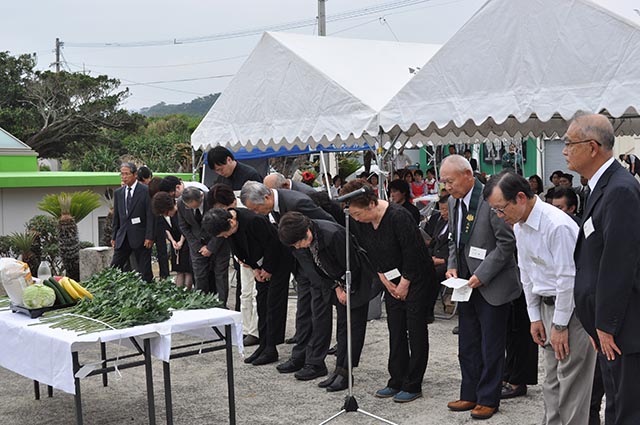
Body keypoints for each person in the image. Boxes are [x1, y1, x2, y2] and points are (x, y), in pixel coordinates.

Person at [486, 170, 596, 424]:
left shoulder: (556, 225)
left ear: (521, 198)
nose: (500, 217)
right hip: (547, 307)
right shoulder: (521, 225)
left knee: (573, 386)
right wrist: (534, 317)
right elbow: (527, 273)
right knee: (552, 381)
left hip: (571, 310)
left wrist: (559, 325)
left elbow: (567, 279)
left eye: (501, 209)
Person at [564, 112, 640, 425]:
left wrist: (606, 324)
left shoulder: (620, 190)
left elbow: (619, 262)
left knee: (626, 410)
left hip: (622, 326)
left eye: (570, 143)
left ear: (593, 147)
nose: (565, 149)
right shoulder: (601, 186)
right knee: (616, 404)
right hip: (608, 325)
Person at [340, 179, 435, 404]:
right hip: (390, 277)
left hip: (417, 278)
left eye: (358, 213)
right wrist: (384, 279)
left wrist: (404, 283)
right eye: (352, 214)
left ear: (372, 204)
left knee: (415, 328)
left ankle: (414, 383)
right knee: (396, 327)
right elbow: (368, 253)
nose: (355, 218)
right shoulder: (360, 223)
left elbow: (413, 253)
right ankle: (396, 378)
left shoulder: (398, 217)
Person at [440, 155, 521, 420]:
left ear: (467, 174)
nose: (446, 187)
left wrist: (482, 274)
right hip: (464, 284)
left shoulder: (491, 200)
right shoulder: (453, 202)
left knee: (491, 345)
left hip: (491, 284)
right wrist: (452, 266)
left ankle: (488, 398)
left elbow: (506, 244)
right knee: (468, 343)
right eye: (444, 182)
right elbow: (454, 240)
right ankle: (469, 393)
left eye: (450, 181)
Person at [240, 181, 336, 381]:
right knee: (303, 312)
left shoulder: (297, 202)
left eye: (256, 208)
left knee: (319, 314)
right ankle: (300, 355)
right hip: (302, 266)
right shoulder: (275, 205)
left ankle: (315, 362)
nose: (257, 213)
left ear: (266, 198)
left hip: (318, 267)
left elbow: (329, 226)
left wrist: (322, 263)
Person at [278, 212, 373, 392]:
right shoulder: (305, 237)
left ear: (306, 231)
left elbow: (352, 265)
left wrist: (346, 288)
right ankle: (338, 370)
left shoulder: (332, 235)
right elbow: (317, 269)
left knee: (352, 328)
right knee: (342, 328)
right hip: (335, 283)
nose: (299, 247)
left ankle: (346, 373)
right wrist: (335, 288)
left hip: (356, 282)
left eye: (299, 243)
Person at [202, 207, 291, 366]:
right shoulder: (226, 226)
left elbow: (273, 244)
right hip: (258, 266)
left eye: (226, 233)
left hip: (277, 262)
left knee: (273, 305)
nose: (226, 236)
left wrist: (268, 269)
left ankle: (271, 347)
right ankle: (263, 345)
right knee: (262, 304)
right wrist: (254, 268)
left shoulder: (254, 220)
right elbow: (238, 250)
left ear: (231, 221)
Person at [207, 183, 259, 347]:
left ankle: (255, 330)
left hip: (257, 257)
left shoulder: (247, 206)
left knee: (255, 294)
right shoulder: (225, 217)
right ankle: (244, 327)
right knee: (245, 293)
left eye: (219, 206)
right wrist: (239, 257)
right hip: (241, 258)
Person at [177, 186, 229, 301]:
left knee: (220, 276)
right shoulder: (181, 203)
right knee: (200, 276)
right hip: (197, 245)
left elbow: (223, 225)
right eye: (187, 206)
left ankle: (221, 305)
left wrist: (211, 247)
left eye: (192, 205)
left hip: (218, 242)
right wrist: (197, 246)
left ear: (200, 197)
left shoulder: (212, 199)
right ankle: (201, 304)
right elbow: (183, 226)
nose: (188, 207)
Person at [110, 162, 154, 282]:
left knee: (144, 269)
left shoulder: (145, 191)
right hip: (123, 235)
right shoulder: (119, 193)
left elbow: (150, 215)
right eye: (122, 174)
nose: (124, 177)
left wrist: (149, 236)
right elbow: (116, 217)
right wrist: (114, 236)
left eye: (127, 174)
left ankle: (148, 290)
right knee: (114, 266)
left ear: (135, 175)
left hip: (140, 236)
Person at [151, 192, 193, 289]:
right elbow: (166, 229)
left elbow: (186, 227)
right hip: (175, 242)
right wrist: (173, 241)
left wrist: (181, 242)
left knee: (187, 270)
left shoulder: (181, 210)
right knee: (179, 270)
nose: (166, 215)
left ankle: (187, 292)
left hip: (186, 241)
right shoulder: (163, 216)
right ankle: (179, 294)